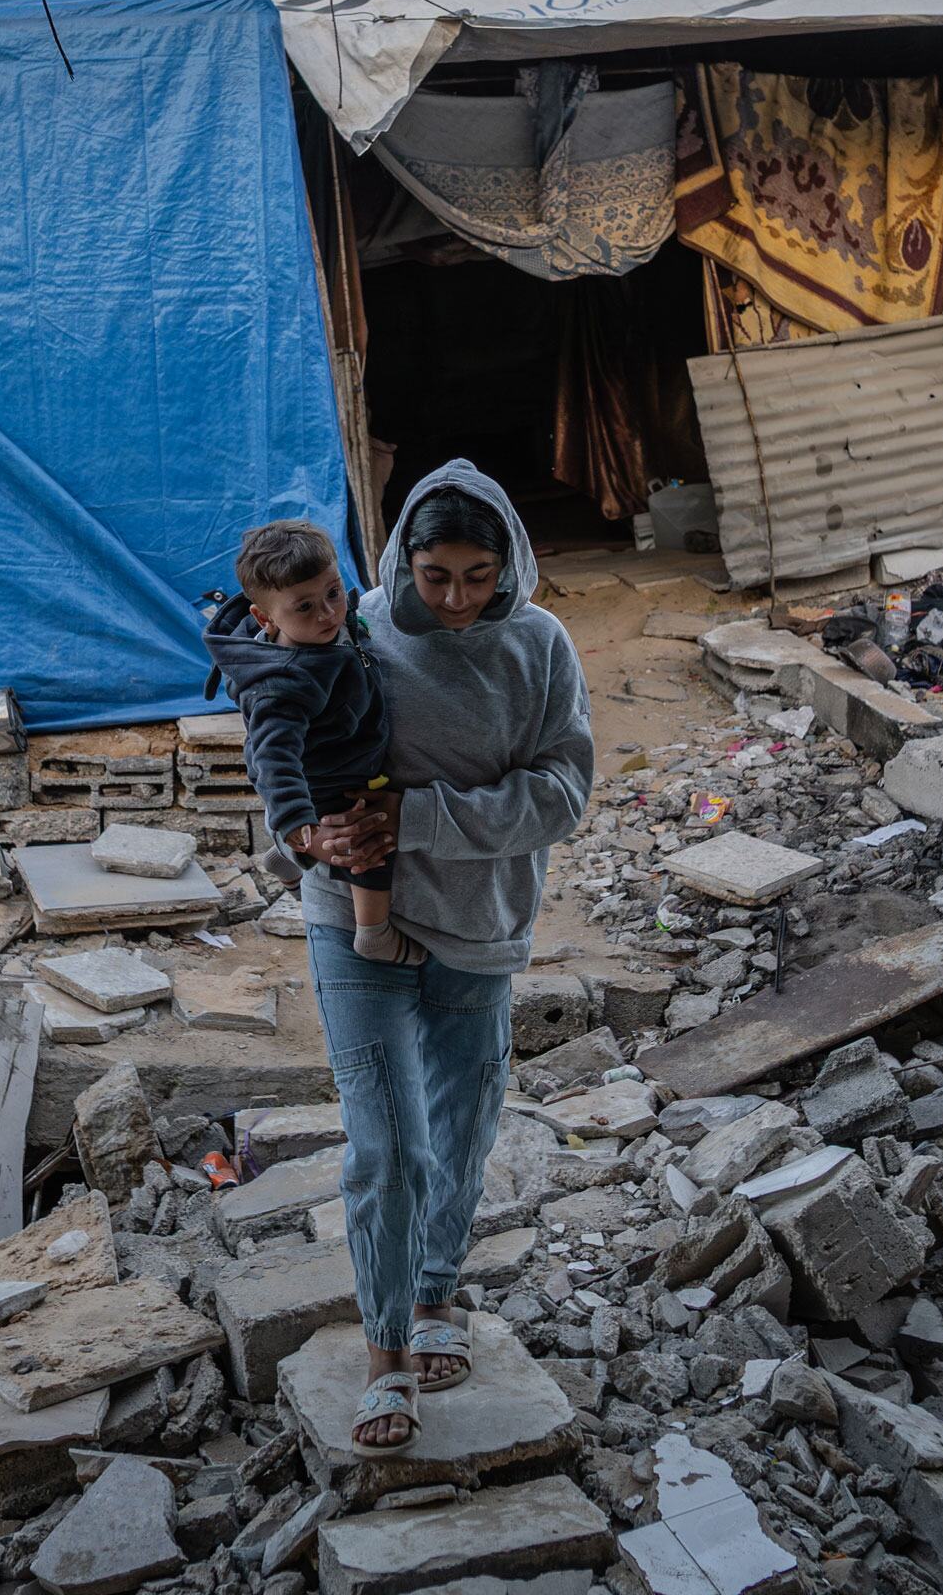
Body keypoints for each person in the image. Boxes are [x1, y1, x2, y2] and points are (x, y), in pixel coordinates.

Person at [294, 461, 593, 1450]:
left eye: (477, 574)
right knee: (388, 1146)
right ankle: (384, 1355)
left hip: (479, 926)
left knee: (461, 1134)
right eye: (434, 575)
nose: (458, 598)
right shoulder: (359, 634)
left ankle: (431, 1296)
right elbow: (290, 763)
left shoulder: (541, 646)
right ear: (401, 562)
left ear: (510, 560)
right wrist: (304, 834)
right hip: (354, 921)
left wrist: (414, 814)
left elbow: (561, 792)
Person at [203, 518, 407, 959]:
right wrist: (294, 818)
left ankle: (285, 861)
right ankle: (374, 934)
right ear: (264, 617)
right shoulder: (284, 683)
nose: (328, 613)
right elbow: (272, 756)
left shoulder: (331, 627)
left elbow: (343, 620)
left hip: (347, 751)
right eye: (305, 607)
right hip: (328, 780)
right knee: (368, 847)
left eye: (333, 593)